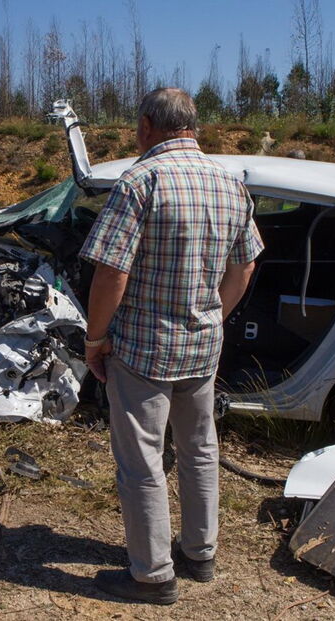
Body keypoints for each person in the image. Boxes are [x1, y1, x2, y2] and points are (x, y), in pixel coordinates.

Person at [79, 88, 263, 605]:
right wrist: (212, 317)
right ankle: (200, 554)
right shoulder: (231, 183)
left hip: (144, 351)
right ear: (193, 126)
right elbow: (245, 264)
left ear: (145, 127)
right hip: (202, 350)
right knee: (200, 450)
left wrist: (95, 340)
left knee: (142, 462)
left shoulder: (141, 180)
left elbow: (111, 272)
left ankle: (153, 576)